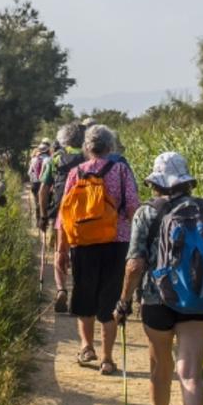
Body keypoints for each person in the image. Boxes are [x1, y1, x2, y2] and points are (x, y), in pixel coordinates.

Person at [117, 151, 203, 405]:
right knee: (191, 372)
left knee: (160, 366)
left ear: (156, 183)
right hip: (200, 300)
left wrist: (123, 300)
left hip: (157, 298)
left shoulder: (148, 213)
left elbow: (135, 263)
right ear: (187, 181)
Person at [56, 123, 140, 375]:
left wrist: (62, 248)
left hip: (83, 243)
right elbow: (133, 207)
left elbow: (65, 213)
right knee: (111, 298)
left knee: (85, 295)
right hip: (117, 241)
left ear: (87, 147)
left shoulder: (76, 172)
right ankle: (107, 358)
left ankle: (86, 346)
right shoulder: (121, 170)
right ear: (110, 146)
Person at [38, 123, 88, 309]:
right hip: (87, 214)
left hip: (62, 212)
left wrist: (43, 214)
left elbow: (43, 190)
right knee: (81, 254)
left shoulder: (55, 159)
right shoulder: (88, 159)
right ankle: (78, 292)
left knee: (61, 251)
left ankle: (61, 290)